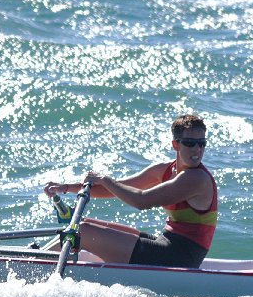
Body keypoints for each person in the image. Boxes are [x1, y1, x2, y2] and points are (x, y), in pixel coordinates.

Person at [42, 114, 217, 268]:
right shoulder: (164, 170)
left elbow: (142, 201)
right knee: (89, 223)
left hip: (180, 258)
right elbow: (115, 189)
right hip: (164, 242)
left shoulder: (196, 179)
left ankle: (32, 261)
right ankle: (37, 256)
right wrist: (66, 188)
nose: (197, 149)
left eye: (202, 144)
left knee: (84, 231)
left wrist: (105, 178)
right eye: (190, 143)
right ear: (175, 145)